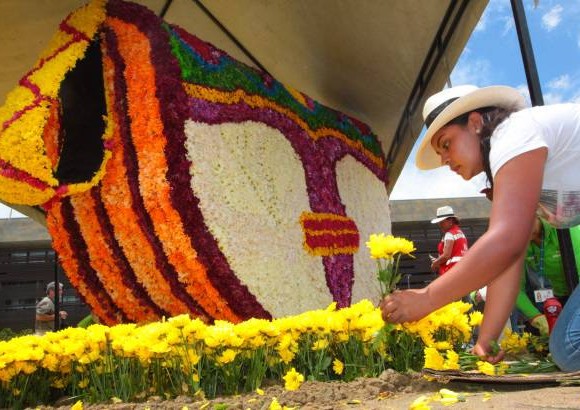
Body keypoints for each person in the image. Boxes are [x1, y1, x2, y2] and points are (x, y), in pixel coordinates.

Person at [379, 84, 580, 371]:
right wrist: (486, 339)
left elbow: (506, 241)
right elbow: (510, 258)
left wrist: (427, 298)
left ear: (475, 123)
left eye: (446, 144)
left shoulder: (512, 133)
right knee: (568, 350)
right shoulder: (509, 170)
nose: (444, 160)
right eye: (439, 153)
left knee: (571, 348)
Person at [514, 217, 580, 335]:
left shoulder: (565, 229)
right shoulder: (520, 244)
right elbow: (514, 289)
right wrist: (535, 316)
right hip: (561, 297)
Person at [430, 206, 468, 276]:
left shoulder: (449, 234)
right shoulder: (459, 232)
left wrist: (435, 263)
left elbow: (446, 256)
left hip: (452, 270)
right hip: (463, 268)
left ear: (450, 220)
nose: (440, 225)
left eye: (442, 222)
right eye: (439, 222)